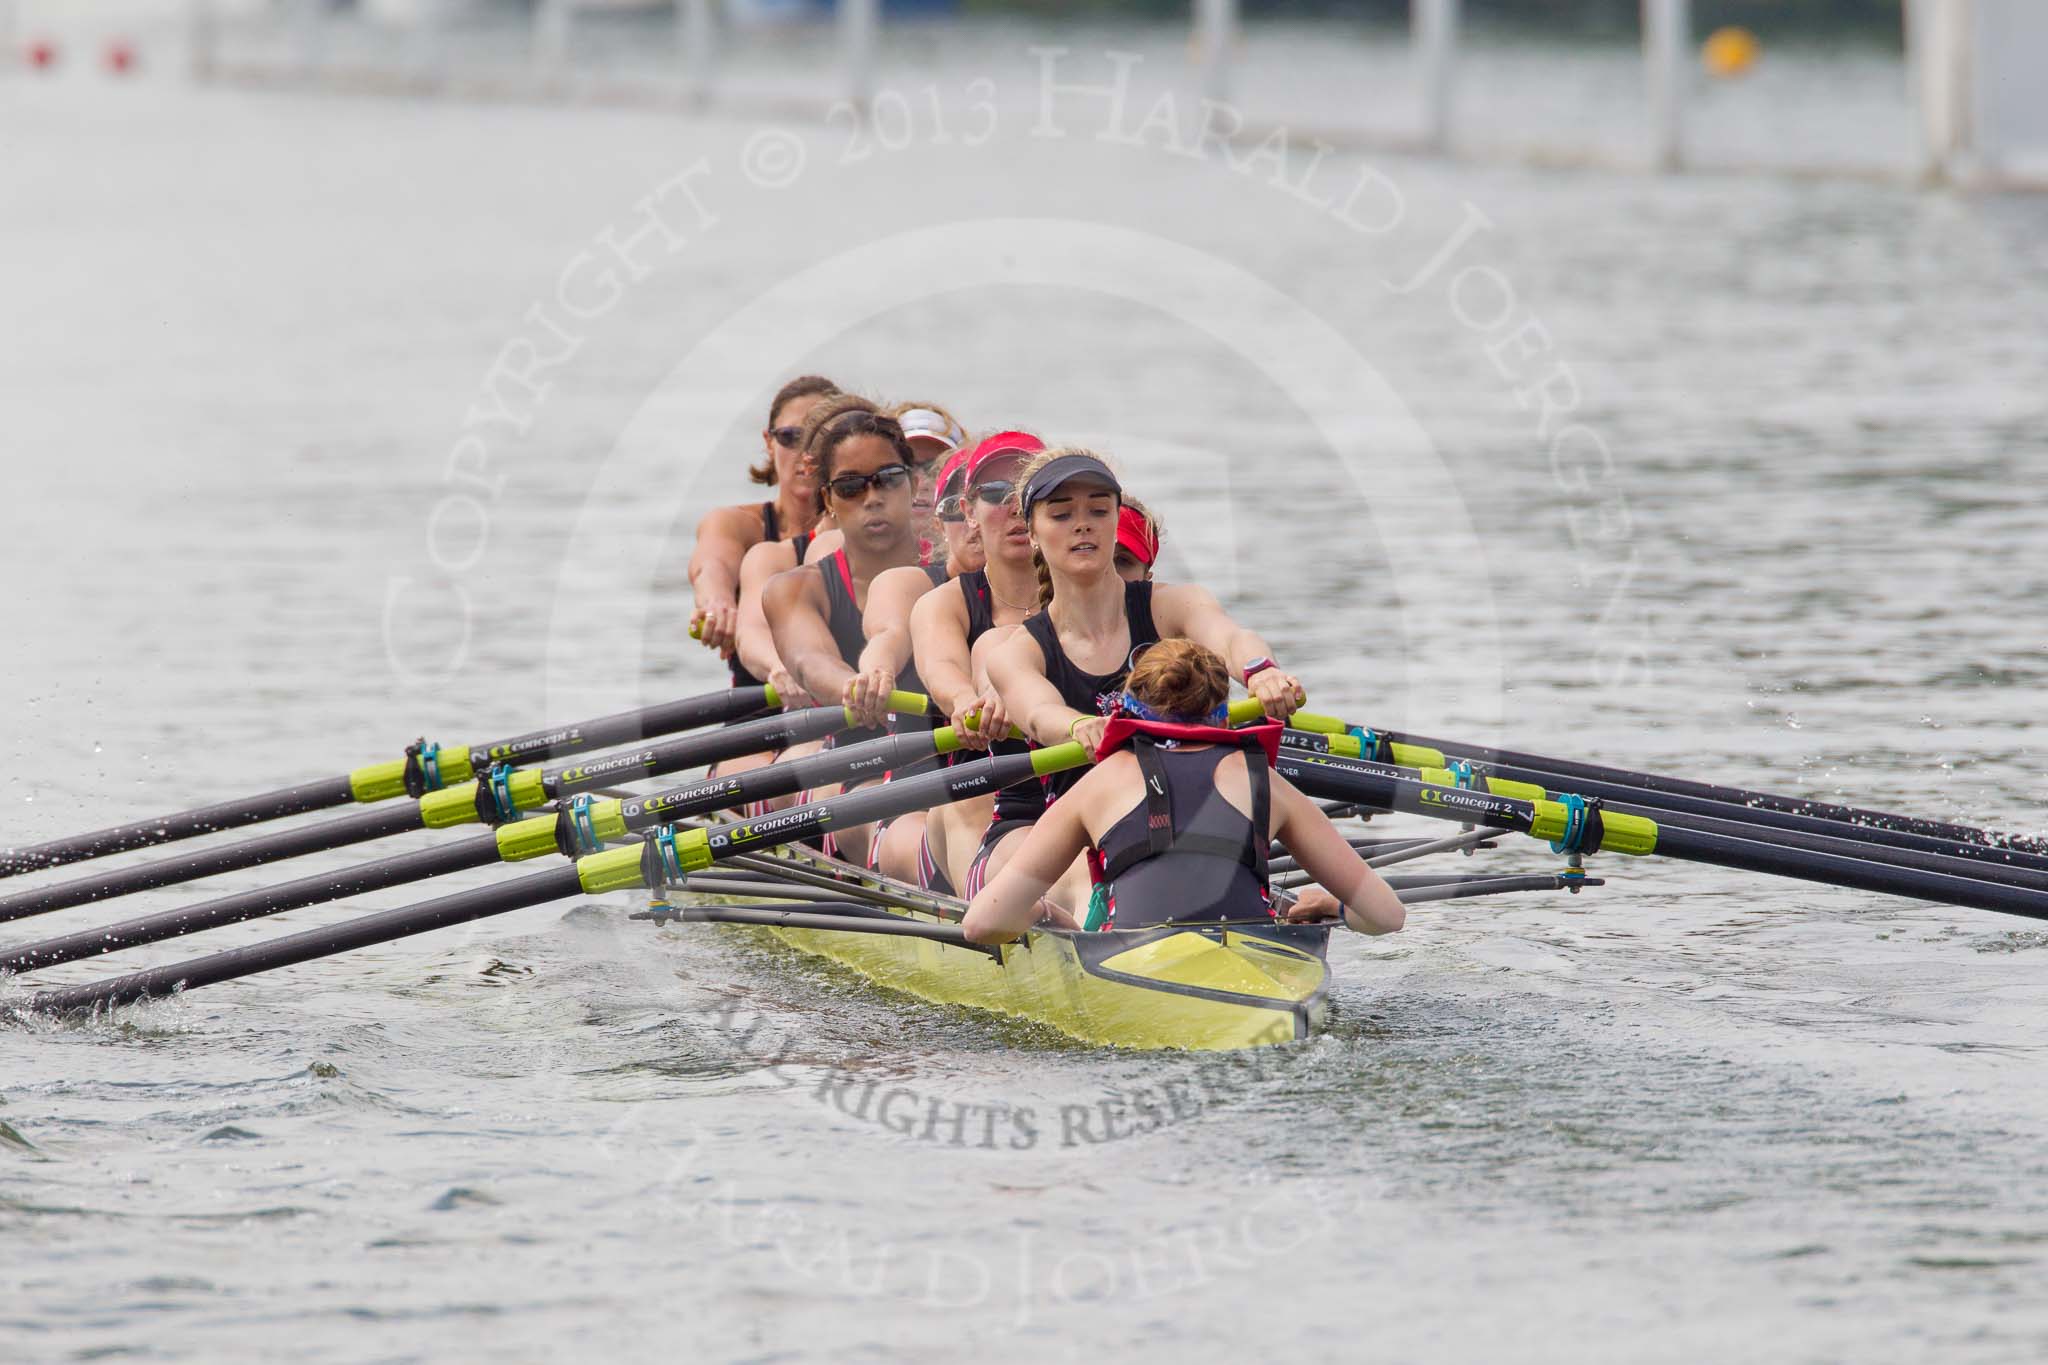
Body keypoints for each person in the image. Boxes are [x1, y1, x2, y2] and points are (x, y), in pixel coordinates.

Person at [974, 448, 1308, 913]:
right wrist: (1078, 726)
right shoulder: (1017, 651)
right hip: (1059, 834)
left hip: (1175, 817)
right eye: (1062, 514)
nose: (1082, 524)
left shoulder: (1172, 605)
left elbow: (1230, 637)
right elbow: (1038, 712)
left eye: (1098, 510)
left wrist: (1260, 671)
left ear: (1116, 520)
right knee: (1093, 871)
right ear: (1031, 533)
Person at [961, 639, 1405, 943]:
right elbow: (1387, 915)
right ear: (1223, 713)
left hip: (1130, 969)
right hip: (1253, 970)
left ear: (1128, 709)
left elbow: (981, 924)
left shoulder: (1100, 782)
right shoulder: (1265, 781)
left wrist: (1044, 914)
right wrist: (1331, 905)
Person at [860, 431, 1047, 891]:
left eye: (1025, 492)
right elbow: (919, 651)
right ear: (962, 513)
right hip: (933, 799)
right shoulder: (932, 598)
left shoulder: (1086, 599)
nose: (1013, 507)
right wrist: (963, 700)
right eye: (995, 494)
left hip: (1046, 801)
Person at [762, 408, 944, 865]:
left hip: (958, 762)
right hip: (856, 765)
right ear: (828, 499)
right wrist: (858, 688)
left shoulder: (960, 577)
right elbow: (810, 662)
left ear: (914, 484)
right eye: (851, 486)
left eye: (888, 479)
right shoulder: (795, 590)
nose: (873, 497)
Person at [687, 375, 838, 668]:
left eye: (821, 437)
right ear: (769, 443)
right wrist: (717, 602)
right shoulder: (734, 525)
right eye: (791, 437)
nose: (806, 452)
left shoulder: (866, 532)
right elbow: (712, 567)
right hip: (762, 691)